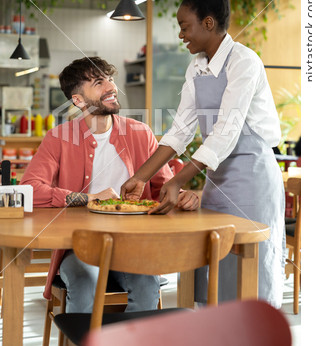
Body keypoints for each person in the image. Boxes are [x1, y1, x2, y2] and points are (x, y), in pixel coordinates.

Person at [121, 0, 286, 308]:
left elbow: (225, 131)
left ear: (208, 23)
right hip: (218, 180)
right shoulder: (196, 68)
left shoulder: (245, 62)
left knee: (247, 277)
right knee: (213, 270)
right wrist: (141, 176)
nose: (181, 35)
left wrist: (178, 180)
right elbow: (180, 130)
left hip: (252, 179)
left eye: (185, 27)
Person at [21, 56, 199, 313]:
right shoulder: (58, 137)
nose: (111, 87)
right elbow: (31, 189)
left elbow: (161, 187)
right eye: (98, 82)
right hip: (79, 247)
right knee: (83, 285)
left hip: (133, 244)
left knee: (148, 285)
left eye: (111, 79)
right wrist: (91, 198)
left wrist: (180, 195)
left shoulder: (140, 133)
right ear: (78, 100)